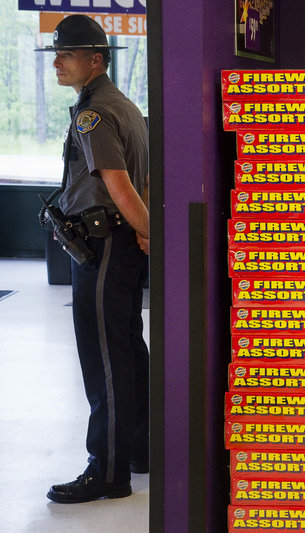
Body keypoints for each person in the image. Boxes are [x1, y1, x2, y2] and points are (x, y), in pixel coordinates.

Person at [35, 14, 150, 503]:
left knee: (105, 361)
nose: (57, 62)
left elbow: (119, 188)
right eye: (57, 54)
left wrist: (150, 232)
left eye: (67, 54)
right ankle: (138, 451)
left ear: (95, 60)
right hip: (120, 246)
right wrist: (146, 234)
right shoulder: (123, 106)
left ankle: (106, 472)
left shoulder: (95, 114)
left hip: (102, 248)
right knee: (126, 353)